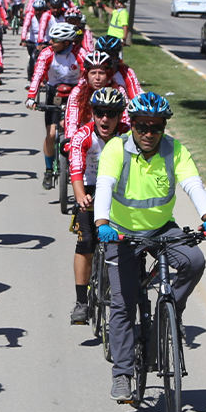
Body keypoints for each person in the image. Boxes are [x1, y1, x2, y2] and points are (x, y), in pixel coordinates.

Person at [94, 92, 206, 402]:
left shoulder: (174, 150)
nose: (149, 134)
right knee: (124, 304)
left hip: (162, 228)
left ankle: (169, 312)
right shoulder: (116, 149)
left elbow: (193, 183)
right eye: (142, 127)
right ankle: (123, 374)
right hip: (121, 233)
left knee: (194, 261)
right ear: (132, 125)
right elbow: (104, 185)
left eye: (156, 127)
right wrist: (102, 223)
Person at [66, 87, 129, 324]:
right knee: (86, 241)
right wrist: (81, 197)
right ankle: (81, 301)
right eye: (100, 112)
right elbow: (75, 171)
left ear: (120, 116)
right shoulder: (82, 136)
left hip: (117, 191)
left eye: (111, 114)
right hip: (89, 190)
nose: (105, 119)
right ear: (92, 113)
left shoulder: (127, 135)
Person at [26, 23, 86, 190]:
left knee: (76, 131)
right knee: (51, 134)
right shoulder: (47, 53)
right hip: (54, 93)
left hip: (76, 93)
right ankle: (49, 169)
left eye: (55, 40)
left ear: (67, 42)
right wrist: (31, 96)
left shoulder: (80, 53)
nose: (50, 42)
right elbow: (37, 75)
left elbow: (87, 75)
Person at [64, 50, 126, 142]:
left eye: (101, 73)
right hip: (84, 140)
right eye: (93, 73)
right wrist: (70, 141)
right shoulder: (78, 91)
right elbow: (72, 121)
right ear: (87, 75)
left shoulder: (119, 91)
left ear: (108, 75)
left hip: (113, 140)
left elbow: (125, 120)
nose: (97, 77)